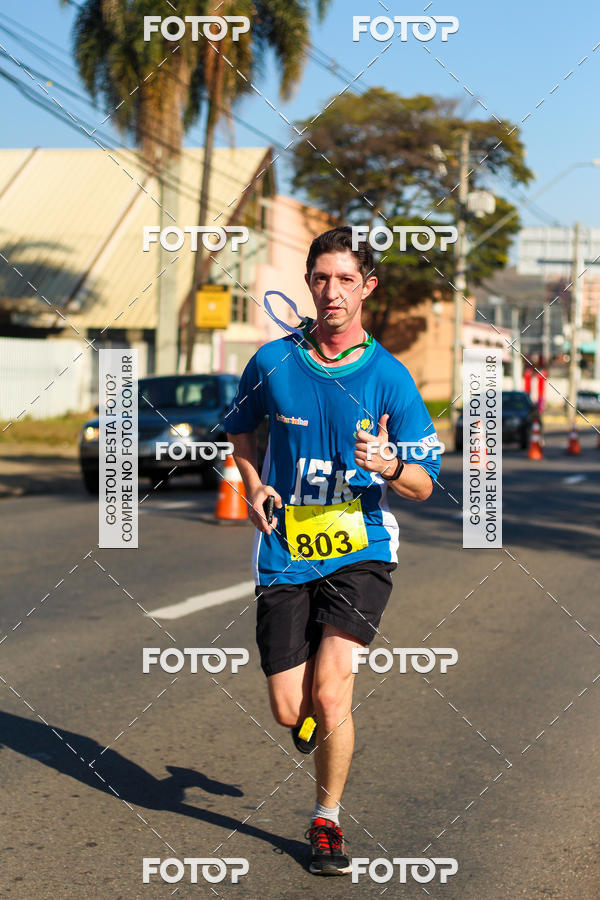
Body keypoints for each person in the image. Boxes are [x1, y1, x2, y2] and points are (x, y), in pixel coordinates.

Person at [225, 226, 441, 875]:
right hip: (286, 546)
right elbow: (240, 437)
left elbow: (426, 485)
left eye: (347, 279)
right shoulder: (271, 363)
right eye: (322, 277)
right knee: (292, 708)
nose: (332, 291)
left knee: (332, 691)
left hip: (360, 544)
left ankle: (327, 822)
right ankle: (311, 714)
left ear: (367, 287)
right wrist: (256, 483)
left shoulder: (391, 378)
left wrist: (392, 461)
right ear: (310, 283)